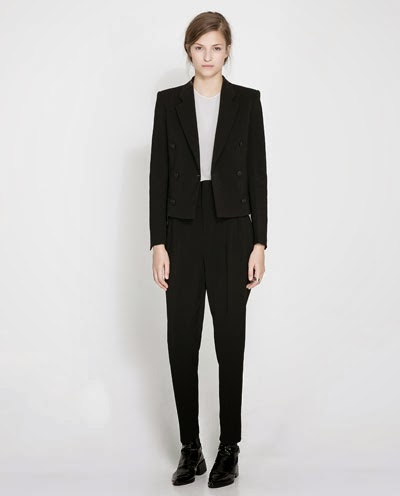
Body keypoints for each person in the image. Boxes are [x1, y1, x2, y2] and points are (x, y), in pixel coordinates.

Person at [149, 11, 268, 488]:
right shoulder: (169, 102)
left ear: (227, 51)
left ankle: (229, 448)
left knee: (229, 342)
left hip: (232, 229)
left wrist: (260, 242)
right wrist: (158, 242)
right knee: (182, 342)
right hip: (181, 228)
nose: (208, 56)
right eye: (200, 47)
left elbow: (258, 173)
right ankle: (191, 448)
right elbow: (158, 175)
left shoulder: (247, 101)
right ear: (189, 50)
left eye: (216, 48)